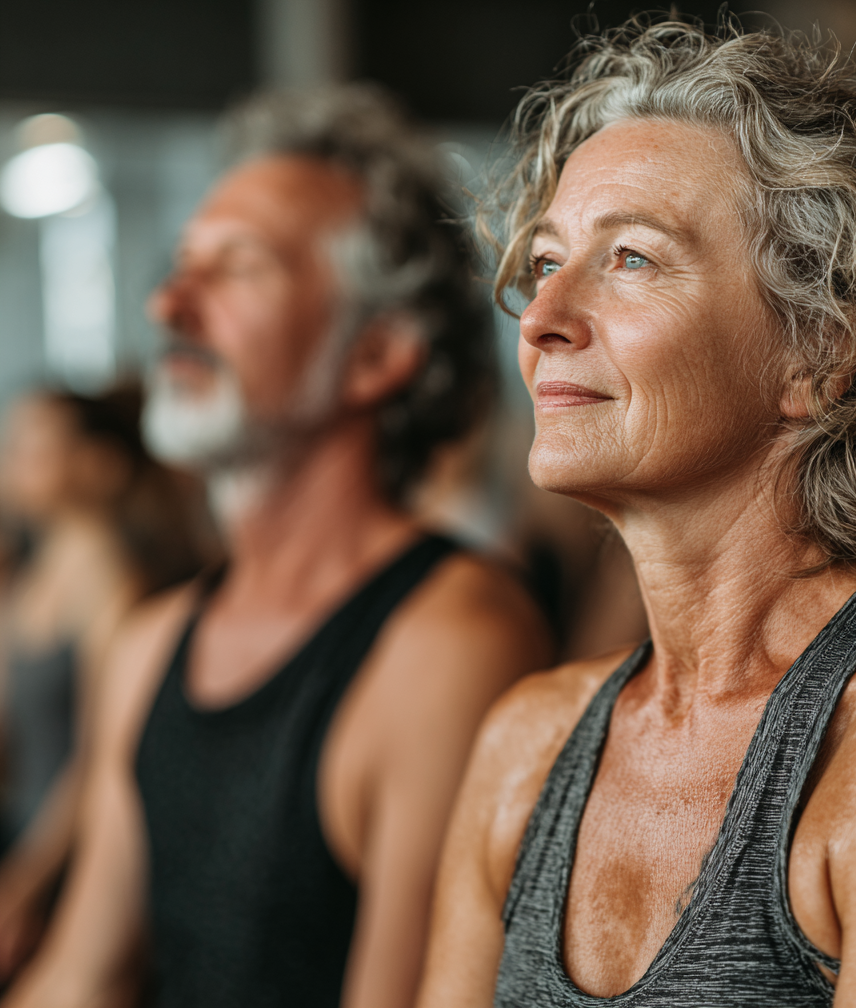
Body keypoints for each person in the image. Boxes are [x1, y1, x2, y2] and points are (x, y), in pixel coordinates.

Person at [418, 17, 856, 1008]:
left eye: (631, 260)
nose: (539, 319)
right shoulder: (526, 744)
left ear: (816, 350)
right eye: (545, 261)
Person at [2, 85, 552, 1008]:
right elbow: (80, 977)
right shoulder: (148, 646)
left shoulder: (450, 641)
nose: (171, 303)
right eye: (182, 266)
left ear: (379, 353)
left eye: (239, 267)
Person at [0, 385, 207, 981]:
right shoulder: (29, 574)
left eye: (33, 445)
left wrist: (26, 882)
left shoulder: (114, 583)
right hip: (21, 833)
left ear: (97, 465)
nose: (14, 458)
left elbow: (97, 759)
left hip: (73, 856)